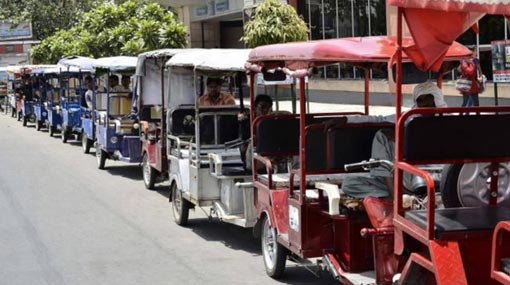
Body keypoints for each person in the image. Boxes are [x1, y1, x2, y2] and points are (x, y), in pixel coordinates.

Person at [337, 82, 447, 199]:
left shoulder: (449, 120)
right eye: (421, 100)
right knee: (349, 183)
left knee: (382, 136)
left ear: (437, 99)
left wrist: (404, 136)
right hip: (407, 178)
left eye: (428, 99)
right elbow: (378, 119)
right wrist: (346, 119)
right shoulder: (408, 117)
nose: (425, 104)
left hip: (436, 177)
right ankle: (396, 196)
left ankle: (396, 198)